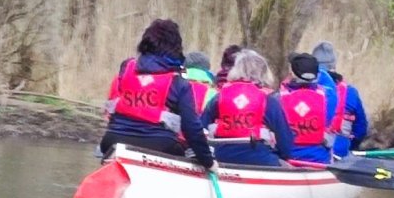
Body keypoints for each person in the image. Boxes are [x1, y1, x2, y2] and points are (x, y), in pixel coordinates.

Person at [99, 19, 214, 168]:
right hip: (160, 145)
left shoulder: (126, 67)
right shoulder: (178, 82)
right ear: (176, 48)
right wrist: (208, 162)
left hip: (112, 140)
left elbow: (112, 106)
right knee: (184, 151)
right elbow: (192, 128)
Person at [201, 50, 294, 166]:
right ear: (263, 72)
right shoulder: (268, 100)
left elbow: (202, 128)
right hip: (261, 159)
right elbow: (285, 143)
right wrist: (282, 156)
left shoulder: (219, 97)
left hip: (223, 157)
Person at [312, 41, 370, 158]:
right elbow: (361, 129)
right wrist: (351, 146)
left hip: (308, 150)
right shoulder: (351, 92)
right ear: (334, 65)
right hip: (340, 151)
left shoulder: (302, 88)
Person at [278, 53, 336, 165]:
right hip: (320, 159)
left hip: (289, 159)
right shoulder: (329, 96)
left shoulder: (278, 97)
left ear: (292, 73)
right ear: (317, 74)